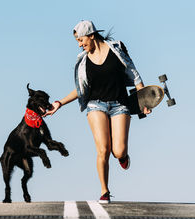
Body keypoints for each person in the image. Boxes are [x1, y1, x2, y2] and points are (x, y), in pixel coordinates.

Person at [44, 20, 151, 203]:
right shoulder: (83, 61)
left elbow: (135, 77)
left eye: (81, 40)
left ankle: (123, 157)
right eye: (78, 41)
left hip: (119, 104)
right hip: (96, 105)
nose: (79, 44)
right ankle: (105, 191)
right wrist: (59, 103)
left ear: (91, 35)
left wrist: (144, 101)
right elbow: (81, 89)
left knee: (118, 150)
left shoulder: (116, 49)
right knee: (103, 149)